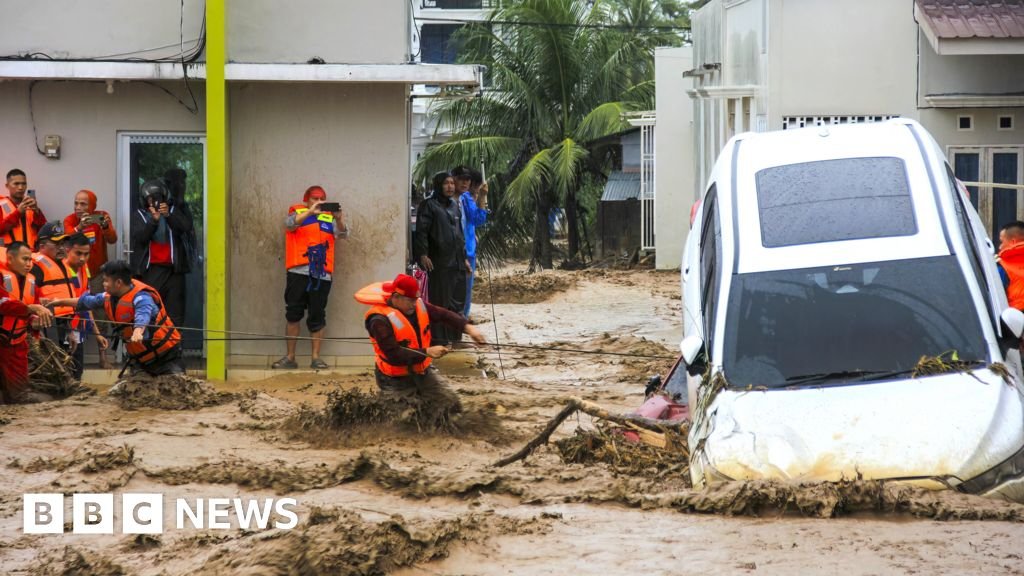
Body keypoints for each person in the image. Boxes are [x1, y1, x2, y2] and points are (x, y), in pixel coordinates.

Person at [355, 273, 486, 426]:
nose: (414, 304)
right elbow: (394, 355)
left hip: (422, 372)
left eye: (416, 299)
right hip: (393, 379)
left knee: (451, 405)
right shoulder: (379, 321)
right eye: (410, 300)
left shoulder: (417, 305)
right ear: (396, 297)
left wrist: (468, 328)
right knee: (406, 420)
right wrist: (427, 352)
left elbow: (443, 315)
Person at [48, 260, 182, 376]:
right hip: (141, 360)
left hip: (166, 357)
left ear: (118, 282)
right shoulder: (108, 297)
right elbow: (85, 302)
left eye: (106, 280)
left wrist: (138, 331)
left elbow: (143, 314)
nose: (103, 284)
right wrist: (59, 302)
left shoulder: (142, 297)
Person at [273, 185, 349, 370]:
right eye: (314, 198)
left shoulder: (328, 218)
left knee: (317, 315)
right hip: (298, 272)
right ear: (306, 200)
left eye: (321, 198)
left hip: (321, 274)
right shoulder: (297, 213)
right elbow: (289, 225)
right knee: (293, 314)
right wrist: (309, 212)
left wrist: (339, 220)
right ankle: (290, 357)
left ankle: (316, 358)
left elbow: (344, 234)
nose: (318, 201)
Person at [32, 224, 94, 379]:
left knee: (69, 369)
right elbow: (29, 299)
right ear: (42, 245)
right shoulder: (35, 267)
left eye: (62, 244)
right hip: (46, 326)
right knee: (51, 370)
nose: (61, 248)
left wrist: (71, 332)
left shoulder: (64, 266)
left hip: (64, 325)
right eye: (56, 243)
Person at [64, 189, 117, 369]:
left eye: (83, 204)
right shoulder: (70, 220)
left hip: (98, 275)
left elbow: (112, 239)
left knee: (102, 315)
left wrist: (105, 227)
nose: (78, 207)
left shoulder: (101, 217)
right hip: (76, 274)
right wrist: (79, 227)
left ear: (92, 205)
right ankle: (73, 359)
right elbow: (67, 240)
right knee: (74, 314)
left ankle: (103, 357)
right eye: (76, 203)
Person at [413, 171, 468, 344]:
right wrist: (423, 254)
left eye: (452, 183)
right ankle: (439, 340)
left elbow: (459, 235)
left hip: (457, 262)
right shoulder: (428, 205)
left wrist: (464, 258)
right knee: (440, 303)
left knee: (458, 303)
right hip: (440, 262)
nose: (450, 186)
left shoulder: (454, 205)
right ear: (438, 185)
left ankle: (455, 338)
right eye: (446, 183)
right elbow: (421, 231)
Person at [131, 177, 193, 328]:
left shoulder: (173, 212)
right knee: (151, 311)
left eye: (158, 198)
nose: (155, 202)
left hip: (174, 271)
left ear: (165, 197)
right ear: (145, 199)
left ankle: (175, 348)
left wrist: (168, 216)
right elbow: (141, 238)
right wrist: (154, 220)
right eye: (151, 198)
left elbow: (185, 228)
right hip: (151, 271)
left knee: (175, 315)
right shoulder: (139, 215)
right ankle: (152, 348)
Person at [1, 241, 53, 403]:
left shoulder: (31, 282)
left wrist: (35, 322)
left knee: (18, 395)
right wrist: (31, 309)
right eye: (25, 259)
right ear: (10, 258)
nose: (29, 264)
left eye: (30, 260)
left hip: (17, 345)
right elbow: (2, 304)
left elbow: (32, 313)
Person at [459, 170, 489, 317]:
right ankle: (463, 318)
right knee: (465, 289)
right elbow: (478, 218)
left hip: (468, 246)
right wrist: (482, 198)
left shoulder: (464, 198)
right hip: (467, 250)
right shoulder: (465, 198)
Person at [1, 169, 47, 248]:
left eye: (24, 184)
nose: (20, 187)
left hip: (30, 254)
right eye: (16, 184)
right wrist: (18, 213)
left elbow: (44, 232)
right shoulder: (1, 205)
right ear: (7, 186)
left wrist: (37, 212)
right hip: (9, 254)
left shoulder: (31, 205)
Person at [997, 220, 1024, 308]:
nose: (999, 247)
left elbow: (995, 298)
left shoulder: (1004, 267)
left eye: (1002, 242)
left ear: (1013, 242)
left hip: (1016, 317)